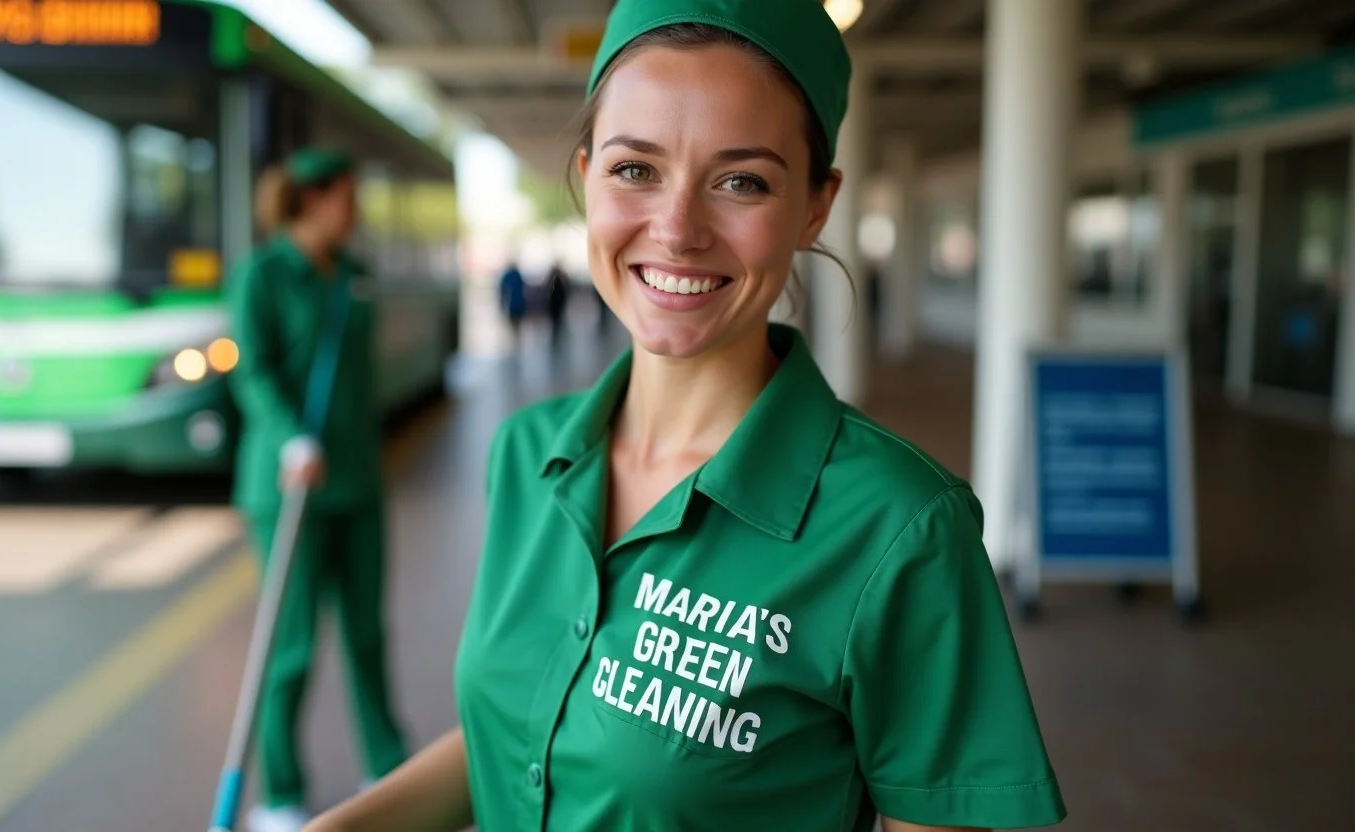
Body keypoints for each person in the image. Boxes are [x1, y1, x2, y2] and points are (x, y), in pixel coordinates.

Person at [307, 1, 1066, 830]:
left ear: (815, 207)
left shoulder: (897, 529)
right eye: (636, 169)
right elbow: (525, 732)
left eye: (741, 181)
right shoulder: (528, 453)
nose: (675, 230)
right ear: (587, 172)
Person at [227, 146, 409, 832]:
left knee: (368, 634)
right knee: (293, 643)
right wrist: (287, 437)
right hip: (288, 489)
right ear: (314, 198)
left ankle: (388, 766)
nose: (356, 211)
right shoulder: (263, 276)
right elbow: (253, 372)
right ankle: (279, 793)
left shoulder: (354, 276)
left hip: (359, 483)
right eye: (348, 197)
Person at [498, 260, 527, 341]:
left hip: (513, 305)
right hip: (519, 304)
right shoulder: (518, 275)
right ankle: (516, 336)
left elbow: (503, 291)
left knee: (514, 323)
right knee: (517, 323)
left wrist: (502, 303)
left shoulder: (508, 276)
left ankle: (515, 336)